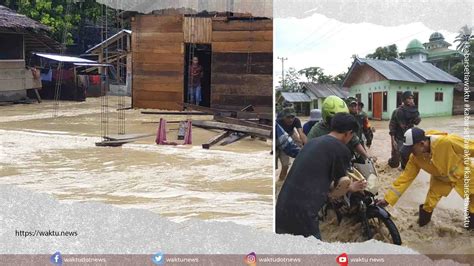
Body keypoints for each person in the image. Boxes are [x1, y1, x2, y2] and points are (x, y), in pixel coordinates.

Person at [276, 113, 368, 239]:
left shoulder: (311, 142)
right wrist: (352, 187)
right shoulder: (341, 149)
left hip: (281, 210)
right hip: (304, 214)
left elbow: (317, 177)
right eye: (352, 135)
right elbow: (340, 187)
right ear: (348, 133)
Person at [377, 127, 473, 229]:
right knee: (428, 205)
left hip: (464, 174)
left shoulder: (446, 142)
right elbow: (405, 179)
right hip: (440, 179)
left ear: (422, 144)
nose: (411, 153)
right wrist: (388, 199)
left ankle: (470, 231)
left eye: (412, 149)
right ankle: (422, 229)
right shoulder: (415, 159)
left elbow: (471, 148)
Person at [308, 96, 370, 162]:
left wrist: (367, 157)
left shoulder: (347, 126)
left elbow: (356, 143)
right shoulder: (316, 131)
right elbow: (308, 150)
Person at [388, 91, 421, 169]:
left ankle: (404, 170)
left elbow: (417, 122)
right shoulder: (397, 111)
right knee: (395, 162)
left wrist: (415, 112)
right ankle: (391, 163)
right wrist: (393, 140)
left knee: (406, 159)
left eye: (412, 98)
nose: (411, 100)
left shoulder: (413, 111)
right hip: (398, 137)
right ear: (404, 100)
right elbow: (392, 126)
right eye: (409, 98)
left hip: (409, 137)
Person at [276, 107, 307, 181]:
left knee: (285, 165)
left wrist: (307, 146)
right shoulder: (277, 122)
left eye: (292, 117)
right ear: (283, 117)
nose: (291, 119)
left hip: (287, 142)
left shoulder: (296, 120)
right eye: (288, 117)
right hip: (277, 141)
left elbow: (301, 133)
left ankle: (280, 183)